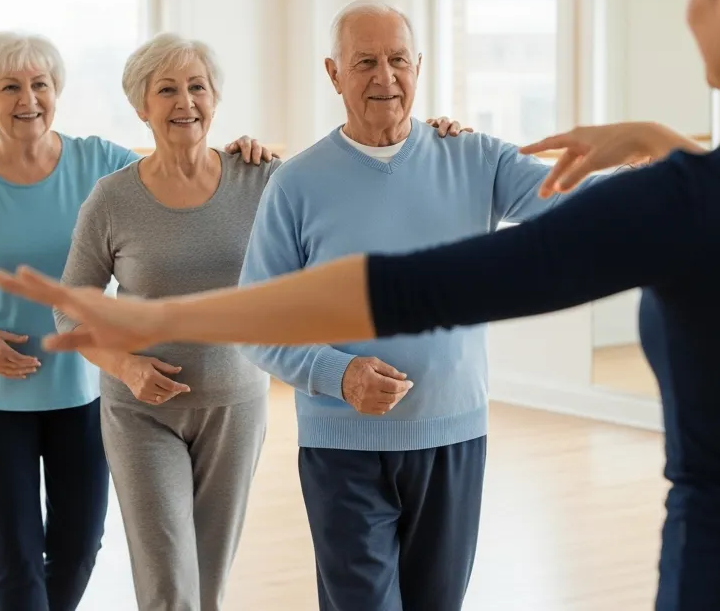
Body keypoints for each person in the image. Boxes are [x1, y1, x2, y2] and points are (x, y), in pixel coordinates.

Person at [0, 0, 720, 611]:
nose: (689, 1)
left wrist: (160, 309)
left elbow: (406, 287)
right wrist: (668, 144)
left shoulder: (686, 203)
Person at [52, 31, 468, 611]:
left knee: (208, 579)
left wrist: (435, 143)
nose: (185, 103)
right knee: (170, 583)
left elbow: (346, 182)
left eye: (197, 87)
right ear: (141, 106)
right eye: (166, 90)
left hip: (237, 404)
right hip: (142, 411)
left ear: (216, 98)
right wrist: (124, 365)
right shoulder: (113, 199)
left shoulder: (260, 177)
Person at [224, 0, 587, 611]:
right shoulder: (296, 183)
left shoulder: (476, 158)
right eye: (365, 61)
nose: (385, 77)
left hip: (453, 436)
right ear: (334, 74)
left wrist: (658, 174)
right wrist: (339, 375)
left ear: (418, 66)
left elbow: (574, 205)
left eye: (397, 60)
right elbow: (257, 322)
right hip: (342, 444)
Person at [0, 30, 275, 611]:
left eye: (40, 84)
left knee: (78, 549)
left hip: (81, 390)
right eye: (10, 87)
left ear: (56, 92)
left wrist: (242, 152)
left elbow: (177, 182)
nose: (28, 99)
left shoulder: (101, 164)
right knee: (15, 557)